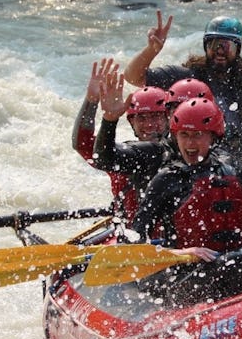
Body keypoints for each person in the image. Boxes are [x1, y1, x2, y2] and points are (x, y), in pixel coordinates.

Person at [126, 97, 242, 305]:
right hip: (187, 274)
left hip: (233, 263)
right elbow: (133, 242)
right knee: (235, 261)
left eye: (198, 135)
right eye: (184, 135)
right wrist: (179, 253)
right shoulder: (166, 180)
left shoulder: (230, 172)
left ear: (213, 137)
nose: (190, 143)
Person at [124, 11, 242, 192]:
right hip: (182, 162)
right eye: (214, 45)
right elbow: (133, 77)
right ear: (206, 46)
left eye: (227, 46)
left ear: (237, 49)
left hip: (229, 167)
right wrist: (151, 50)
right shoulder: (186, 76)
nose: (220, 51)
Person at [72, 58, 170, 225]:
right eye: (142, 118)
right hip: (128, 237)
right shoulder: (121, 154)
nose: (149, 124)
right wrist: (91, 100)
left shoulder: (183, 153)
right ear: (132, 122)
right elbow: (82, 144)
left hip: (168, 242)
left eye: (156, 116)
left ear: (169, 118)